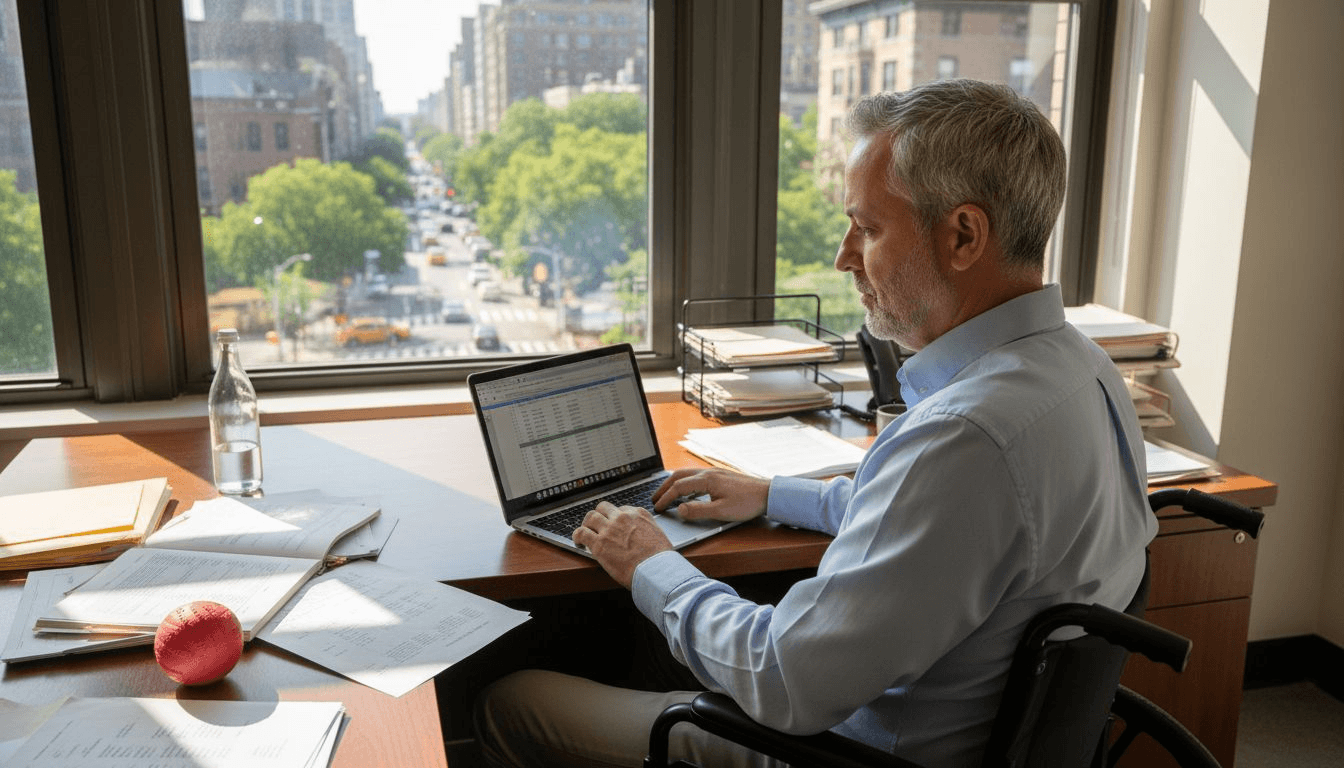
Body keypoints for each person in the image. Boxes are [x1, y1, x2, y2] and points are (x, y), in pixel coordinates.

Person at [474, 79, 1158, 768]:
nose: (842, 256)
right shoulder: (1087, 373)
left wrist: (655, 565)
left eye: (867, 227)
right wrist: (774, 496)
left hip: (835, 751)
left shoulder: (965, 437)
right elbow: (939, 531)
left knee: (512, 699)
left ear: (963, 235)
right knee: (655, 640)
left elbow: (785, 681)